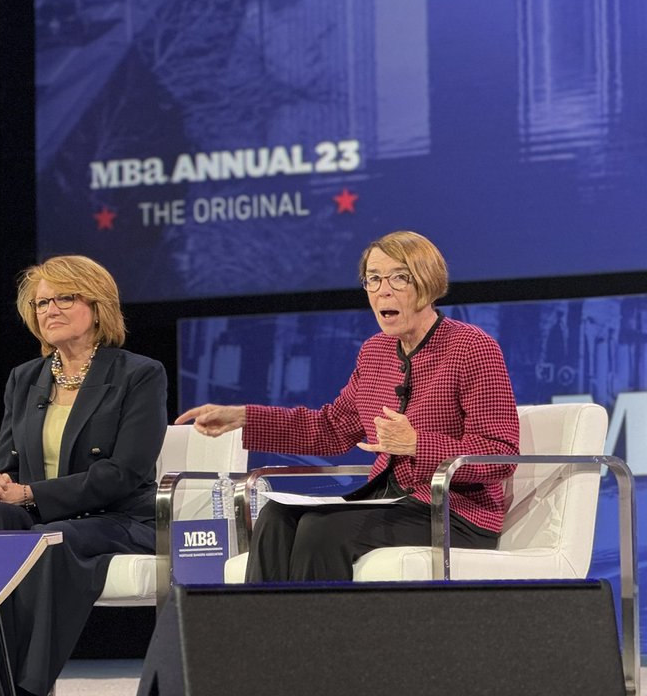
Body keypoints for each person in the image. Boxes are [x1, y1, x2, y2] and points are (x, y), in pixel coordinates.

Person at [177, 231, 519, 582]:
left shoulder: (472, 347)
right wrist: (245, 417)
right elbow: (330, 429)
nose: (383, 290)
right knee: (275, 516)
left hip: (453, 513)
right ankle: (262, 634)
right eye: (373, 279)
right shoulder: (374, 352)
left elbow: (500, 453)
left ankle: (323, 637)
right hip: (387, 501)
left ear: (428, 283)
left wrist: (417, 444)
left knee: (321, 530)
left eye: (399, 277)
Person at [0, 255, 167, 696]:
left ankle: (30, 686)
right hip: (44, 512)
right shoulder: (25, 378)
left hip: (121, 517)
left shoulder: (138, 374)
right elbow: (9, 461)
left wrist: (28, 495)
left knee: (53, 540)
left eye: (65, 297)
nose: (50, 309)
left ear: (98, 305)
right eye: (42, 302)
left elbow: (124, 472)